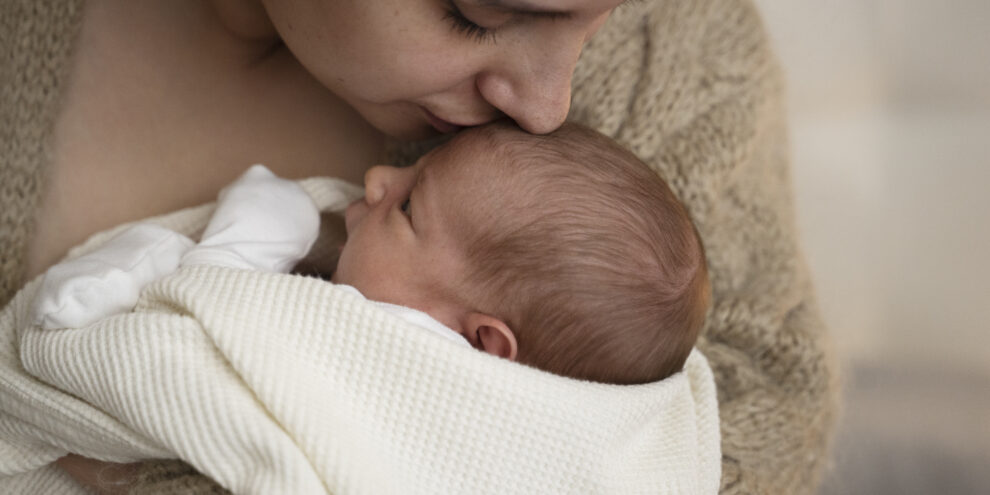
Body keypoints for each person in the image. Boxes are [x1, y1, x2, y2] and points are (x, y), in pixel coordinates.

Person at [2, 0, 839, 493]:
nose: (549, 108)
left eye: (595, 22)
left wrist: (147, 448)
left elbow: (768, 416)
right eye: (475, 13)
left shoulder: (676, 47)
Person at [36, 122, 710, 386]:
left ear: (481, 341)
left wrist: (261, 234)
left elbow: (209, 347)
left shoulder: (407, 363)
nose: (381, 178)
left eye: (409, 207)